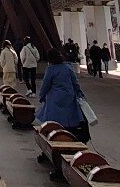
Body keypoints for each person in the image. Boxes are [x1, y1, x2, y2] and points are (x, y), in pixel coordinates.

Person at [37, 48, 89, 179]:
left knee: (53, 127)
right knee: (69, 127)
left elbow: (46, 84)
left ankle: (53, 153)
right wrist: (79, 93)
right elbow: (75, 82)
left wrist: (41, 96)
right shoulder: (67, 67)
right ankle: (70, 147)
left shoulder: (51, 69)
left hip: (55, 101)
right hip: (69, 99)